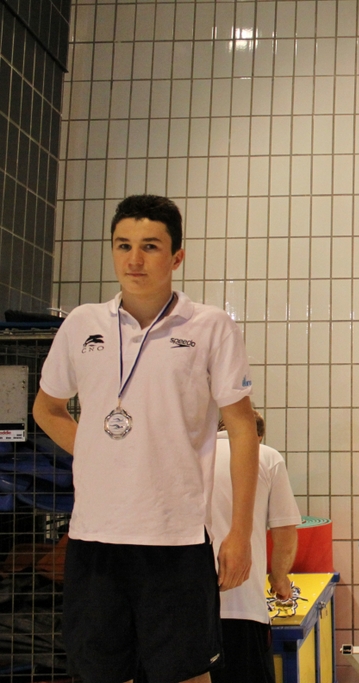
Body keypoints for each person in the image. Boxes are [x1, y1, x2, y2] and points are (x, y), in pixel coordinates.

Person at [33, 194, 259, 683]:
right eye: (123, 245)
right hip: (95, 538)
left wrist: (239, 533)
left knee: (186, 674)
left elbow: (243, 428)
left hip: (174, 537)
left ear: (176, 257)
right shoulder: (82, 324)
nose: (134, 259)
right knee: (101, 674)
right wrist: (95, 451)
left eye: (150, 246)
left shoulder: (210, 327)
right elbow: (46, 409)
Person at [210, 409, 301, 683]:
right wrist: (279, 579)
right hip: (243, 606)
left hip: (188, 607)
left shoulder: (194, 455)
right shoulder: (267, 457)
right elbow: (285, 530)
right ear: (257, 436)